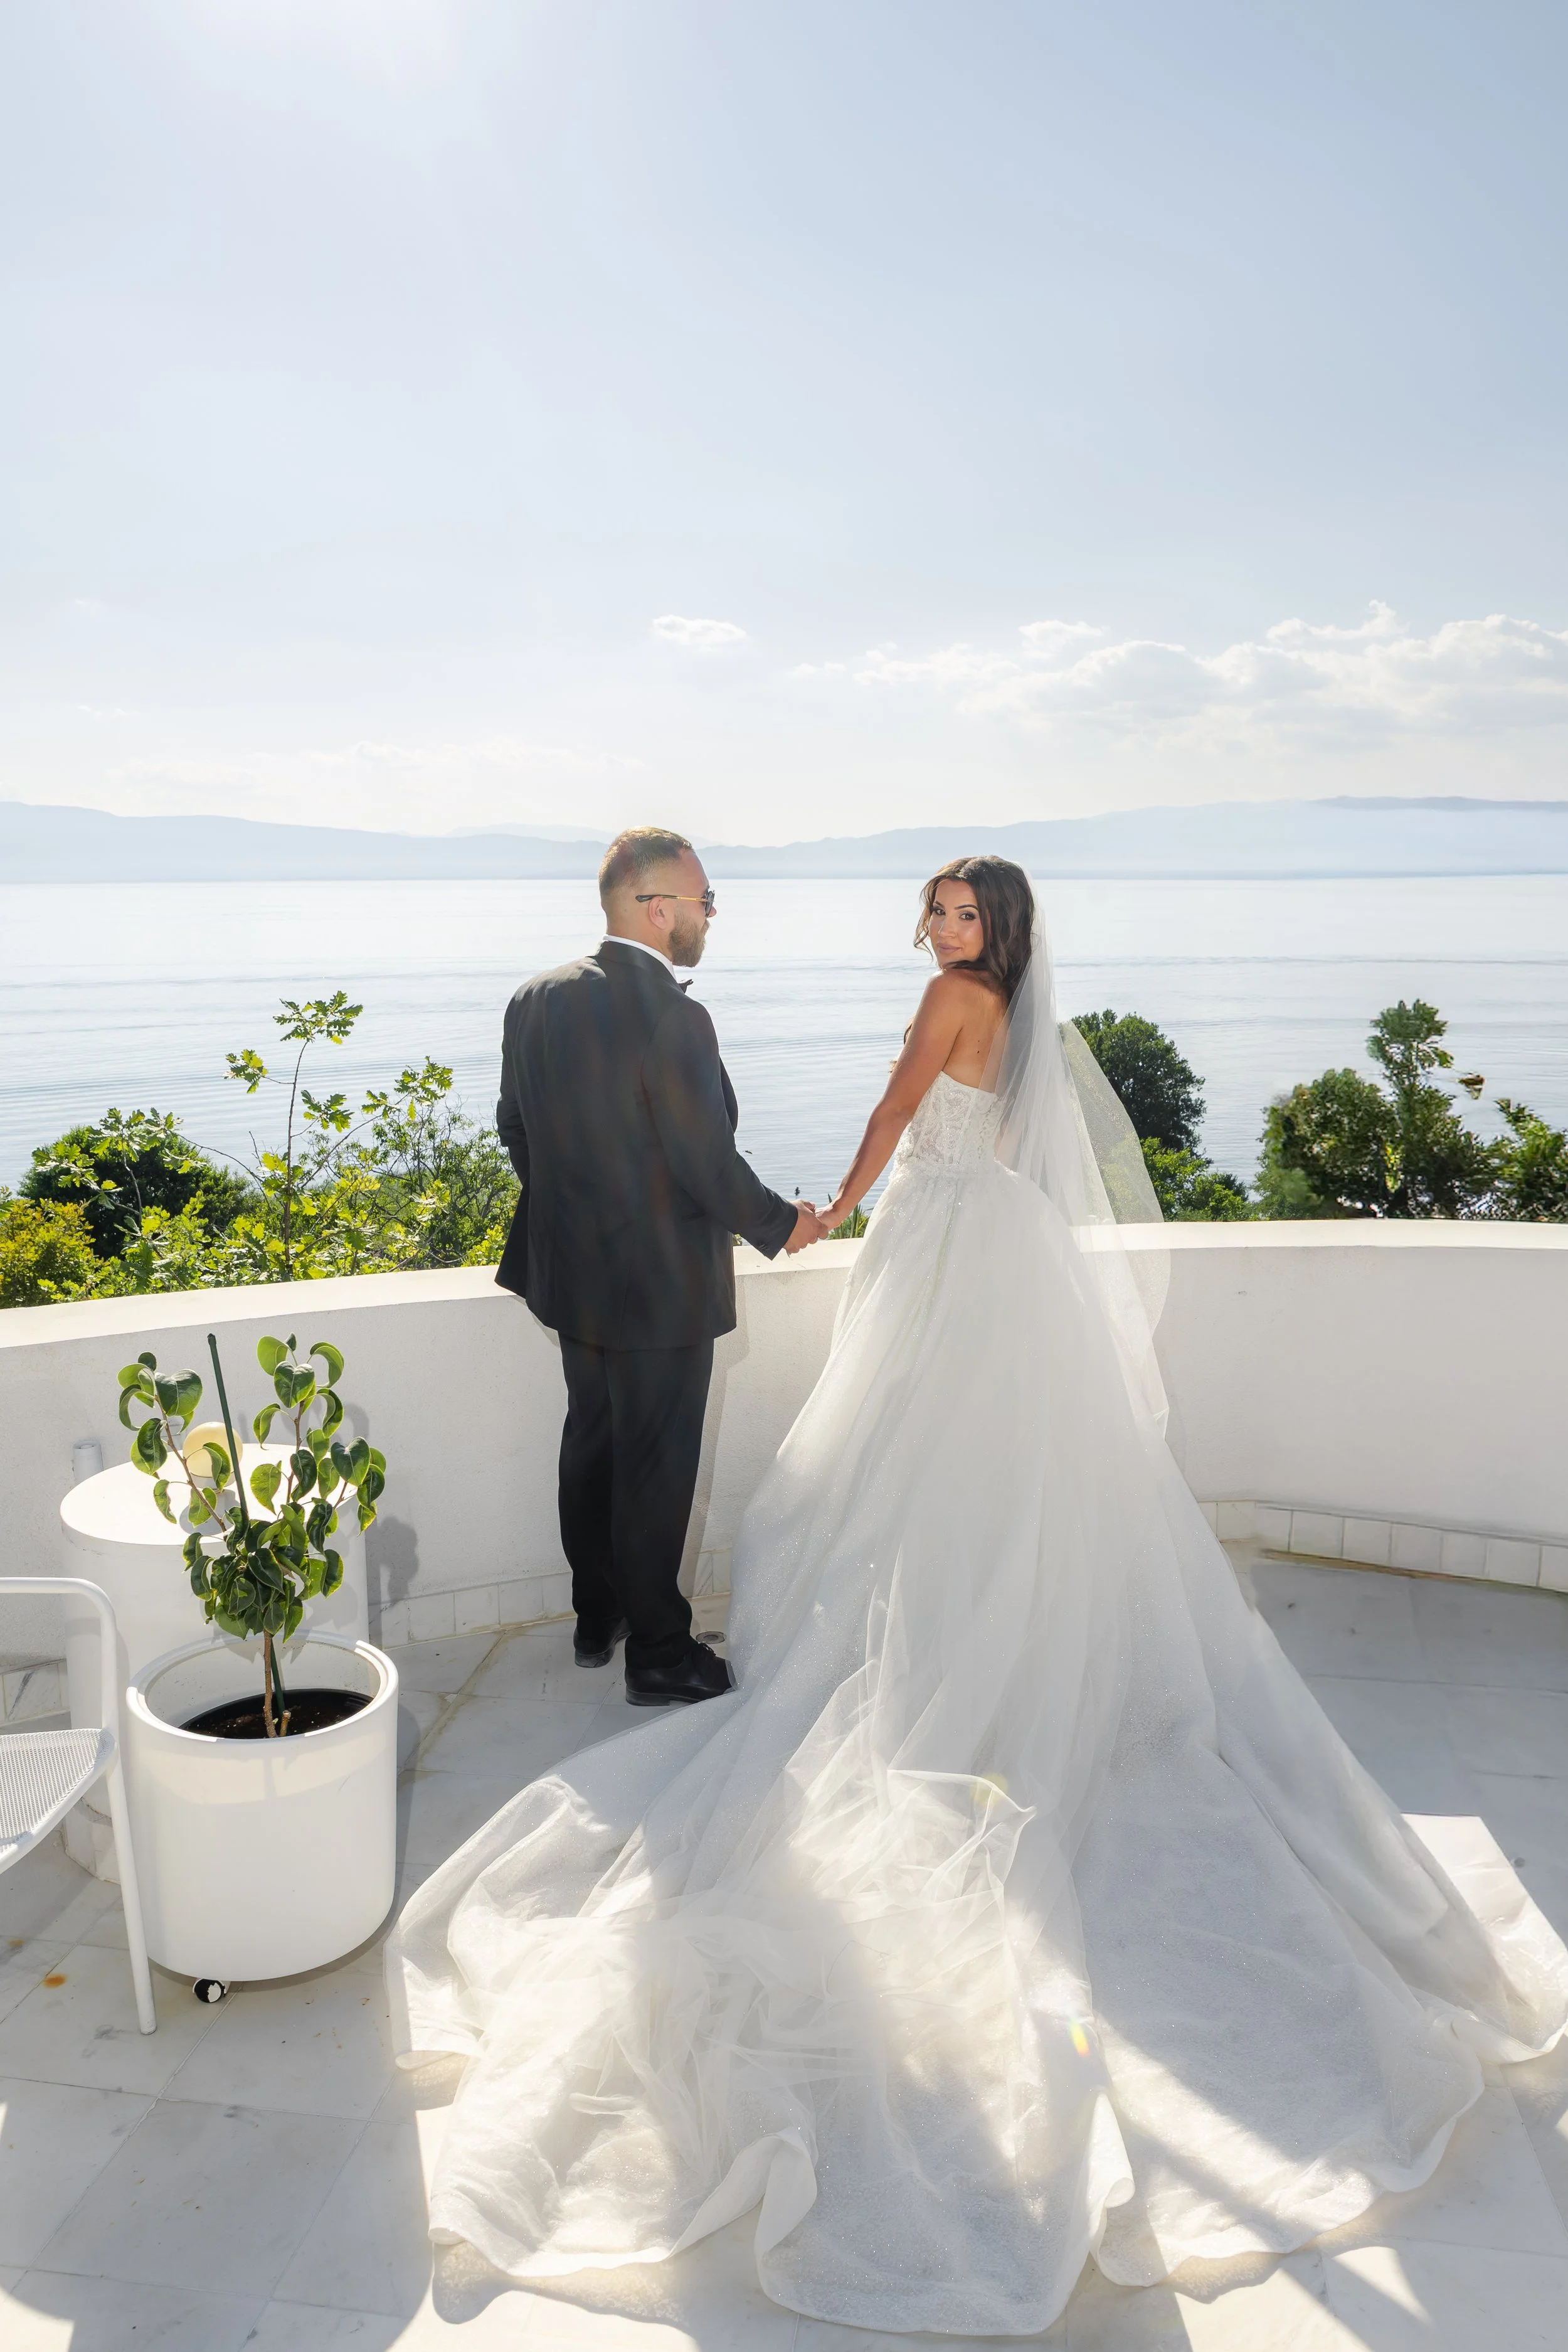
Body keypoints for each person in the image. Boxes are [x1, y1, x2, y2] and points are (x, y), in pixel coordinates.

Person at [391, 856, 1567, 2336]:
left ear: (990, 930)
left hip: (889, 1250)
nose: (944, 931)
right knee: (980, 1470)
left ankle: (665, 1622)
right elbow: (937, 1139)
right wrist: (807, 1208)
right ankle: (790, 1625)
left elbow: (883, 1120)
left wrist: (831, 1209)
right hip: (995, 1250)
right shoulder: (1015, 1010)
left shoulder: (917, 999)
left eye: (961, 911)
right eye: (938, 909)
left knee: (862, 1461)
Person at [494, 825, 827, 1708]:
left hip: (570, 1278)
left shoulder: (534, 999)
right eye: (703, 901)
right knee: (653, 1468)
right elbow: (703, 1162)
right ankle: (661, 1654)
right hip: (660, 1289)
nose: (710, 917)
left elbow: (515, 1130)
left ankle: (595, 1616)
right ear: (656, 909)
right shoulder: (674, 1015)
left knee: (592, 1443)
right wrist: (781, 1224)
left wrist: (579, 1218)